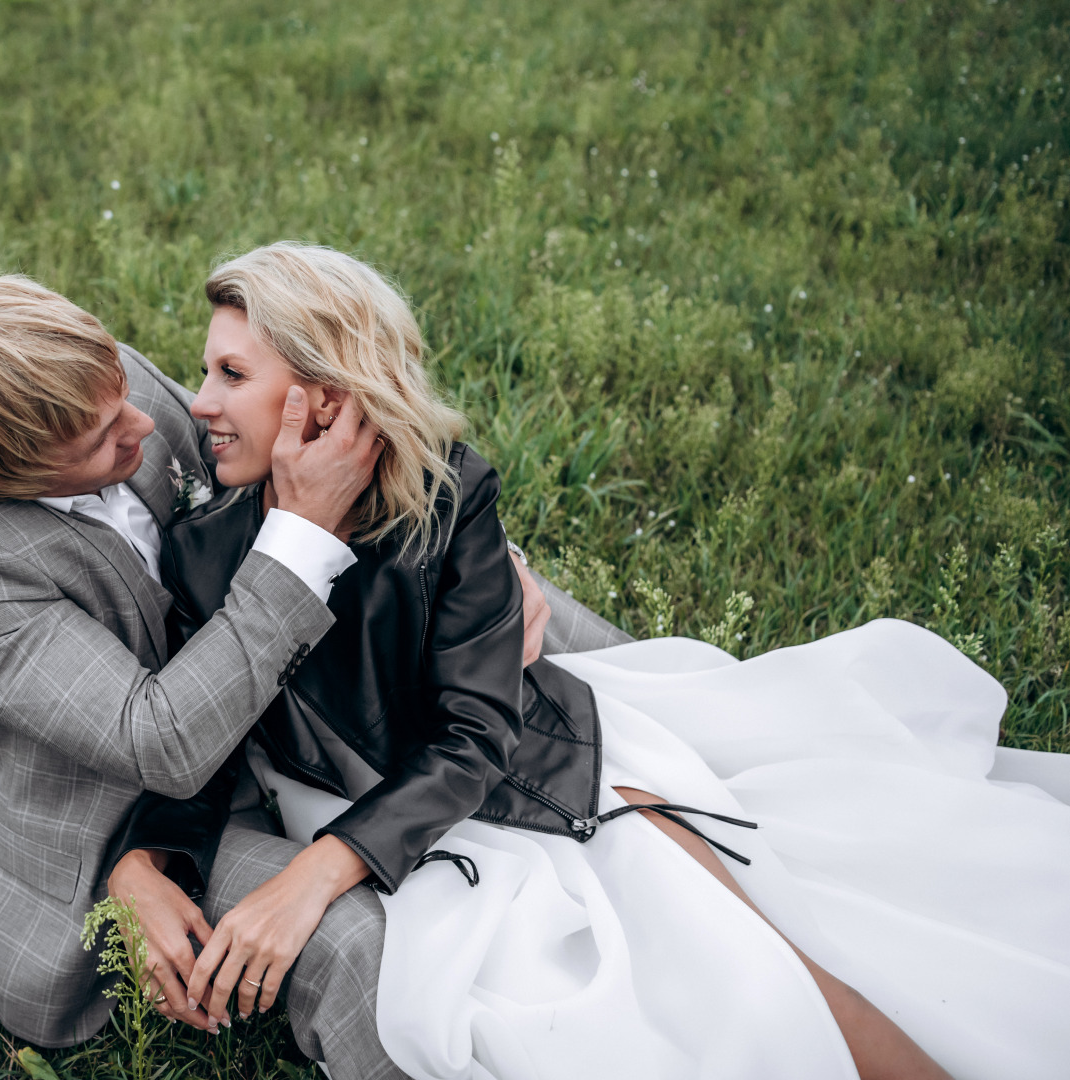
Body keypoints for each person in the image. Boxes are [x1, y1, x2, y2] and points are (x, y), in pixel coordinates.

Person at [109, 242, 1070, 1080]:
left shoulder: (449, 500)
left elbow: (476, 733)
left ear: (321, 398)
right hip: (387, 828)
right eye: (206, 374)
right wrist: (142, 864)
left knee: (760, 967)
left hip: (536, 783)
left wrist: (316, 873)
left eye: (231, 375)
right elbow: (212, 732)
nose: (199, 407)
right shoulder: (206, 548)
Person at [0, 272, 629, 1078]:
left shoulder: (93, 389)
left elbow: (251, 451)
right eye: (103, 440)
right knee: (361, 944)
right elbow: (161, 742)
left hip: (279, 689)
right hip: (133, 804)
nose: (149, 420)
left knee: (526, 607)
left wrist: (470, 562)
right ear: (12, 479)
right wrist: (302, 532)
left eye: (123, 391)